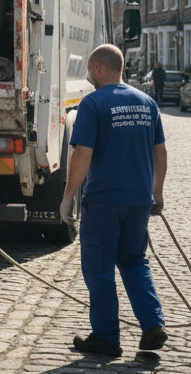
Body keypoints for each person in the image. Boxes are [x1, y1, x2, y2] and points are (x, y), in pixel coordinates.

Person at [62, 43, 168, 357]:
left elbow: (83, 154)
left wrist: (68, 197)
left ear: (97, 67)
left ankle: (107, 337)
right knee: (135, 262)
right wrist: (157, 192)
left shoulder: (93, 103)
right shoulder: (147, 102)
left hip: (104, 201)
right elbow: (160, 152)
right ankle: (152, 325)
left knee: (99, 267)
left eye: (89, 70)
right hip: (138, 200)